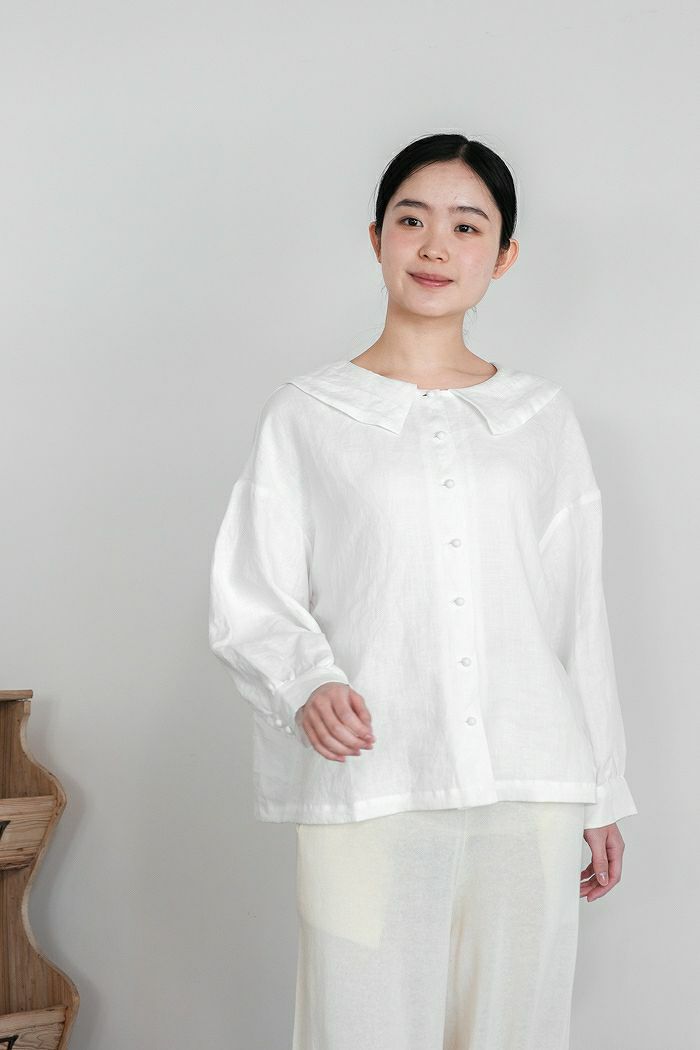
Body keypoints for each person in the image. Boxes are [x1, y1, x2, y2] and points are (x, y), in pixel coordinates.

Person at [208, 132, 638, 1050]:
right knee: (360, 1028)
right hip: (373, 783)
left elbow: (576, 614)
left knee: (516, 1033)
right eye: (412, 220)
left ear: (503, 256)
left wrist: (602, 789)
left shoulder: (539, 420)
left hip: (531, 782)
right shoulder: (308, 415)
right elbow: (252, 588)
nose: (436, 246)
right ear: (377, 238)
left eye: (467, 226)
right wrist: (305, 681)